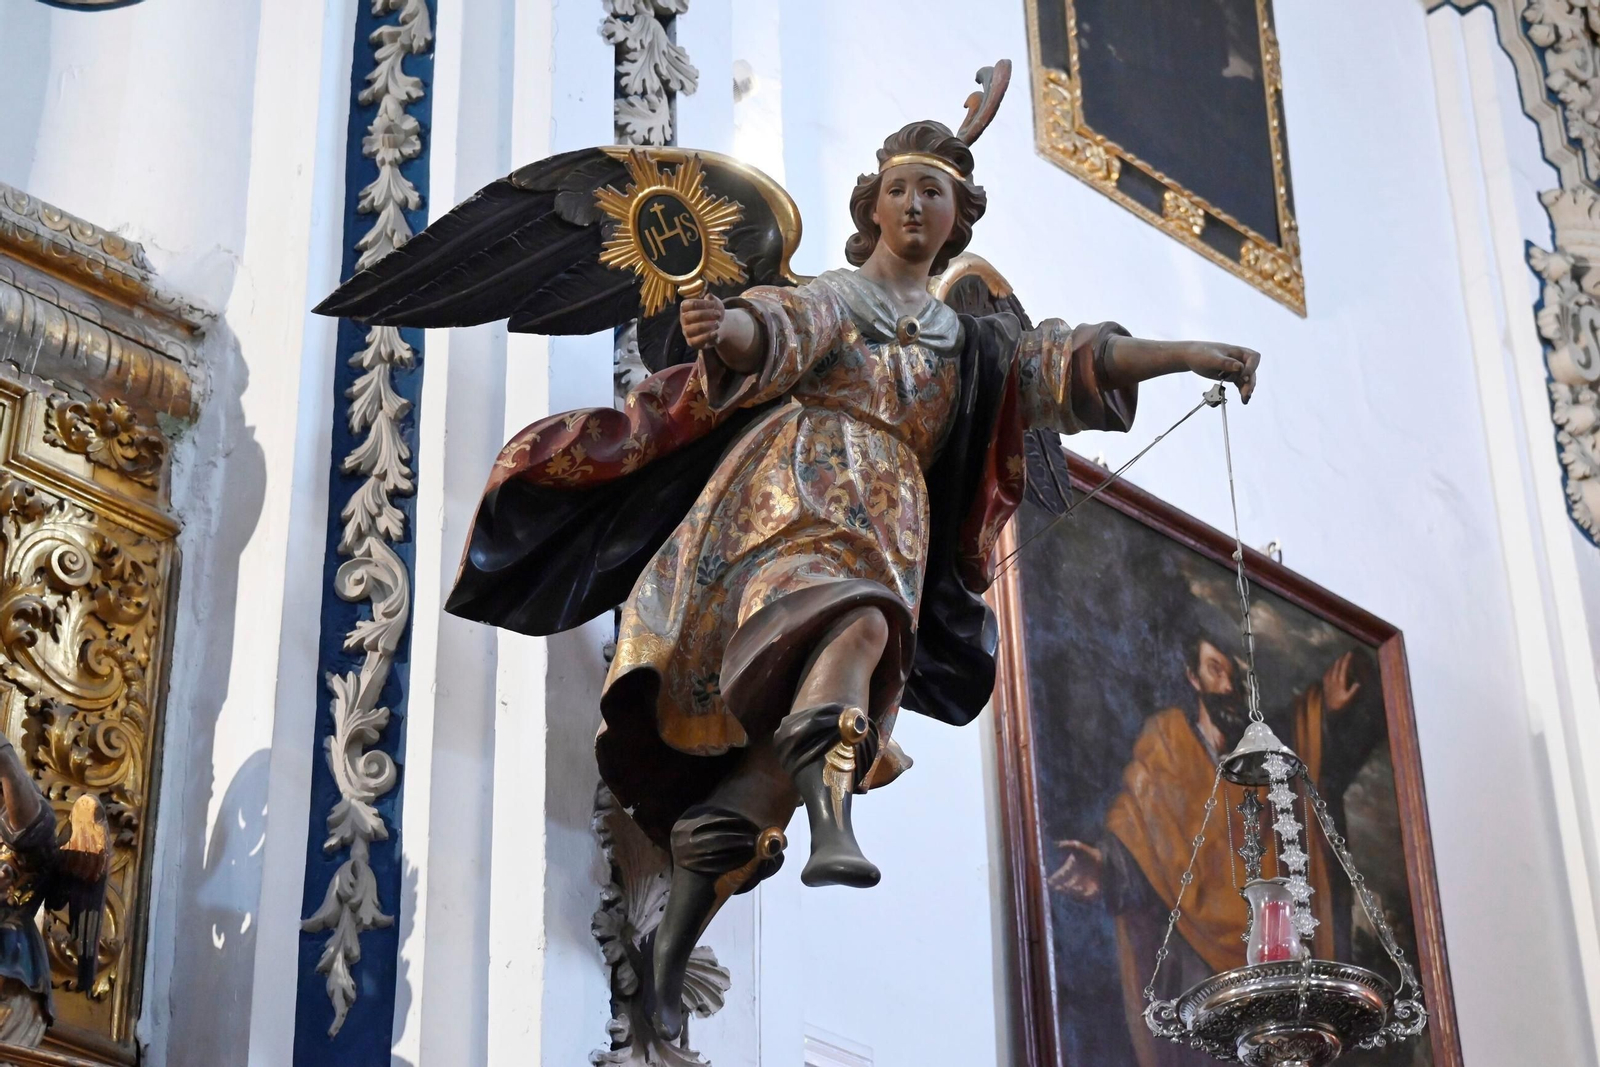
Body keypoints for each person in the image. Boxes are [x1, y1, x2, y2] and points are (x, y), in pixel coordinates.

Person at [326, 61, 1265, 1038]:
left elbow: (1072, 364)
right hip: (793, 500)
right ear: (872, 204)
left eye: (933, 192)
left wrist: (1190, 353)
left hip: (892, 525)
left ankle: (679, 942)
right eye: (898, 186)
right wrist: (719, 324)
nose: (912, 204)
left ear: (956, 219)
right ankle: (836, 822)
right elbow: (770, 328)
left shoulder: (974, 337)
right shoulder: (838, 297)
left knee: (757, 784)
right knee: (853, 624)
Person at [1050, 636, 1376, 1067]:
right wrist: (1107, 868)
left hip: (1260, 966)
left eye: (1235, 676)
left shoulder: (1261, 759)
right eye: (1214, 670)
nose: (1226, 685)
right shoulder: (1167, 742)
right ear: (1193, 676)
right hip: (1192, 957)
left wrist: (1326, 712)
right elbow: (1142, 829)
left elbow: (1303, 760)